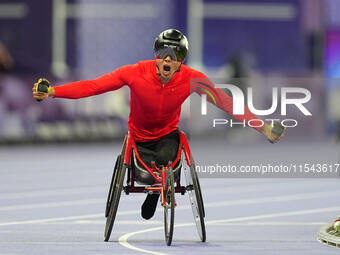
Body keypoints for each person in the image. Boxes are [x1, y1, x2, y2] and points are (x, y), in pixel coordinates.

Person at [32, 29, 284, 220]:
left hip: (167, 136)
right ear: (155, 55)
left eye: (174, 56)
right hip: (138, 137)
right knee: (153, 165)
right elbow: (93, 86)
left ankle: (156, 190)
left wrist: (263, 127)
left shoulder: (193, 79)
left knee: (167, 161)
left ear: (181, 61)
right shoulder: (134, 73)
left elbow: (227, 103)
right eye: (162, 53)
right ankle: (155, 187)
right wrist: (54, 91)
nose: (167, 59)